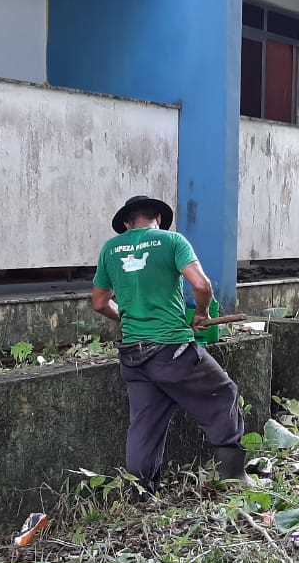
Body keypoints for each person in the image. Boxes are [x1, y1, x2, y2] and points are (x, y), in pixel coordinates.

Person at [91, 195, 249, 495]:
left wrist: (123, 319)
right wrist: (201, 313)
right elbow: (201, 286)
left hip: (133, 356)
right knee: (223, 393)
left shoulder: (110, 250)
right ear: (158, 219)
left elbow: (99, 302)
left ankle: (141, 491)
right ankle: (234, 476)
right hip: (172, 349)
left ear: (127, 223)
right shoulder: (172, 241)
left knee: (145, 423)